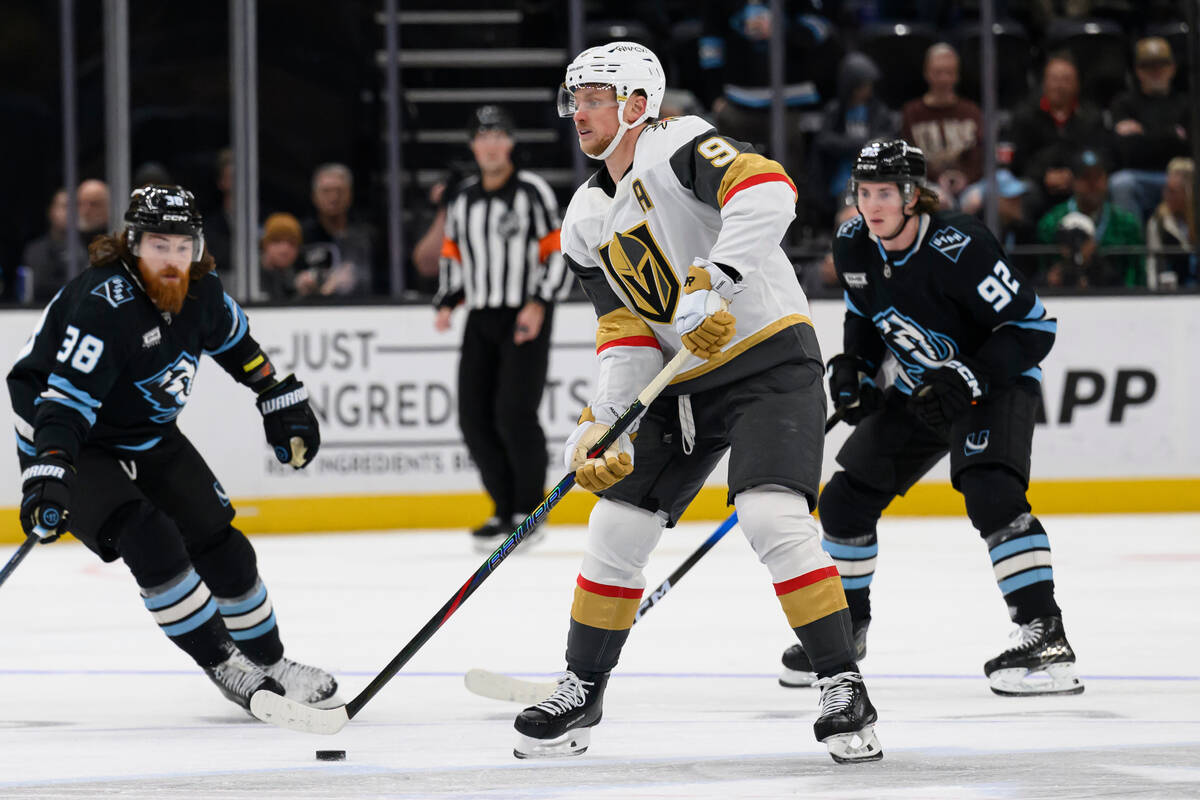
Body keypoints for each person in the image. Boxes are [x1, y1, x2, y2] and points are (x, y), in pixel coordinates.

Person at [512, 41, 882, 765]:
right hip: (680, 383)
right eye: (574, 98)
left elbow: (769, 188)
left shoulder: (677, 143)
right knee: (614, 530)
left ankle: (843, 683)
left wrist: (716, 276)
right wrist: (608, 419)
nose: (578, 111)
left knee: (771, 514)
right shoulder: (585, 214)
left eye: (594, 97)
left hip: (768, 358)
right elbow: (623, 330)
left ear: (636, 106)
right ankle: (583, 687)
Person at [7, 185, 337, 715]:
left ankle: (270, 663)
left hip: (146, 431)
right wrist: (49, 469)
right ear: (133, 244)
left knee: (223, 544)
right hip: (72, 440)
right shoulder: (103, 305)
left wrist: (276, 395)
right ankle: (225, 665)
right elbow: (64, 404)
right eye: (159, 245)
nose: (172, 259)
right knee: (149, 538)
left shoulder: (201, 290)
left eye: (182, 247)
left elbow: (240, 348)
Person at [779, 140, 1084, 699]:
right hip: (923, 389)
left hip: (996, 383)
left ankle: (1046, 635)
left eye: (885, 193)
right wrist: (857, 372)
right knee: (846, 501)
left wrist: (968, 376)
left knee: (991, 492)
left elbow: (1034, 330)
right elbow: (864, 316)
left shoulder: (960, 246)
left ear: (913, 196)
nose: (872, 206)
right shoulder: (853, 244)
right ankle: (847, 629)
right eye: (864, 192)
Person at [433, 105, 572, 552]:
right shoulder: (463, 198)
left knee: (514, 412)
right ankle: (502, 507)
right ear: (473, 146)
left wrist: (540, 303)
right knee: (473, 417)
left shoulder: (531, 192)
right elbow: (453, 254)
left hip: (524, 315)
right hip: (481, 316)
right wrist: (449, 299)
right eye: (482, 136)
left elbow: (557, 250)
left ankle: (529, 509)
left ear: (510, 143)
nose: (490, 144)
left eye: (498, 135)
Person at [1006, 54, 1108, 218]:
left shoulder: (1091, 117)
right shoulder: (1025, 115)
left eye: (1066, 80)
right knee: (1024, 193)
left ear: (1077, 84)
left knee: (1097, 187)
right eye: (1054, 79)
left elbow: (1103, 154)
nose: (1060, 85)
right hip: (1038, 183)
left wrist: (1076, 176)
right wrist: (1043, 176)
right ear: (1044, 83)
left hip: (1081, 181)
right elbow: (1018, 161)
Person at [1108, 37, 1190, 222]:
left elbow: (1191, 147)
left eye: (1162, 65)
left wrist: (1143, 134)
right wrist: (1171, 135)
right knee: (1121, 183)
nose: (1156, 71)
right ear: (1138, 71)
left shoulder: (1186, 103)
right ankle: (1133, 249)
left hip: (1181, 176)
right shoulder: (1124, 104)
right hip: (1142, 178)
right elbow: (1128, 153)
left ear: (1173, 68)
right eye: (1149, 66)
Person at [1036, 148, 1145, 287]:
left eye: (1098, 177)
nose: (1093, 184)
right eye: (1086, 177)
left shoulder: (1126, 224)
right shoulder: (1051, 223)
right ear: (1073, 181)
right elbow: (1042, 272)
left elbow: (1136, 276)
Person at [900, 43, 983, 206]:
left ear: (957, 76)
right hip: (928, 182)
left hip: (969, 182)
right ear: (926, 73)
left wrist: (965, 177)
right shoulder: (912, 112)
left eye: (949, 73)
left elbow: (980, 154)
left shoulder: (971, 111)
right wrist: (937, 177)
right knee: (938, 199)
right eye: (938, 73)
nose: (944, 79)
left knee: (974, 200)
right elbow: (909, 158)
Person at [299, 163, 377, 297]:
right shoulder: (301, 235)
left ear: (350, 195)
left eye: (339, 191)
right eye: (326, 191)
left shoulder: (368, 235)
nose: (333, 197)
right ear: (314, 196)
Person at [19, 189, 85, 304]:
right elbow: (39, 286)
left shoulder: (87, 247)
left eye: (76, 207)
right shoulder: (36, 249)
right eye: (65, 206)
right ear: (51, 211)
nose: (71, 212)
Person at [1145, 157, 1198, 289]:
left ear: (1189, 192)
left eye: (1173, 192)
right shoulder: (1158, 222)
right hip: (1175, 291)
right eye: (1166, 190)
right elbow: (1153, 264)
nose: (1166, 195)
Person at [259, 212, 303, 301]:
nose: (285, 250)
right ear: (265, 245)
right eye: (277, 241)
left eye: (292, 243)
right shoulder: (250, 279)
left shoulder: (296, 276)